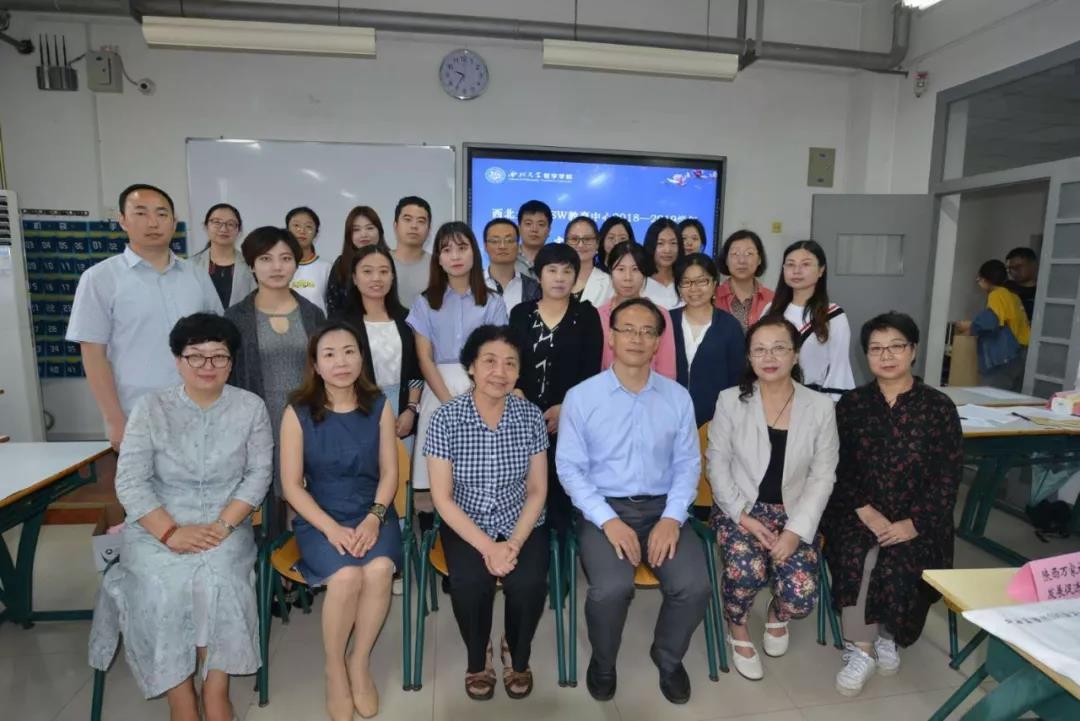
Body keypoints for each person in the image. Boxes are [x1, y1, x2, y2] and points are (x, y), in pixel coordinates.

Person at [88, 313, 272, 721]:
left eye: (219, 356)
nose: (208, 365)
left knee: (221, 582)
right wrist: (170, 532)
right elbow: (131, 481)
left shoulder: (250, 408)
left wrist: (223, 526)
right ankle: (180, 696)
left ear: (231, 362)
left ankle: (216, 689)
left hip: (225, 524)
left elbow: (259, 474)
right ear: (177, 360)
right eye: (196, 356)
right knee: (162, 588)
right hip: (157, 527)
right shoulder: (150, 408)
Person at [557, 297, 710, 705]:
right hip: (604, 510)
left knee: (694, 587)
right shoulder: (582, 397)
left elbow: (688, 465)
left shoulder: (677, 397)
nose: (637, 339)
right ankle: (603, 663)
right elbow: (570, 469)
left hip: (663, 509)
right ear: (611, 337)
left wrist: (672, 518)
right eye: (628, 329)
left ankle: (668, 658)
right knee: (610, 589)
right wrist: (608, 521)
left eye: (647, 331)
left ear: (658, 342)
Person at [823, 312, 963, 697]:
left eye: (896, 346)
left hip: (919, 517)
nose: (886, 356)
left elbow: (948, 475)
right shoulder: (851, 405)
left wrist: (913, 523)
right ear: (865, 355)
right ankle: (861, 649)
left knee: (901, 559)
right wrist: (864, 510)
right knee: (857, 555)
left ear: (913, 351)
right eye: (876, 349)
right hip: (857, 509)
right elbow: (837, 466)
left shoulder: (938, 407)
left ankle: (888, 635)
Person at [706, 314, 839, 682]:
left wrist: (795, 532)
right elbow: (716, 464)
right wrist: (744, 517)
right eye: (759, 350)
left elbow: (823, 475)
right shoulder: (731, 400)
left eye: (779, 348)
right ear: (749, 357)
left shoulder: (820, 406)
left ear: (795, 355)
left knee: (800, 596)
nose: (769, 357)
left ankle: (778, 613)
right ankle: (737, 625)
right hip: (741, 508)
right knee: (746, 571)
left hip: (795, 512)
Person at [280, 321, 401, 720]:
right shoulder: (297, 412)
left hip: (372, 511)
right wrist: (330, 528)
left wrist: (374, 518)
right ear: (315, 365)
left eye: (349, 351)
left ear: (361, 358)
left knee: (379, 570)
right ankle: (334, 668)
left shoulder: (379, 405)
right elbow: (292, 486)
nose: (341, 362)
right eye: (329, 355)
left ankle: (358, 661)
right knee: (347, 576)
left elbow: (390, 473)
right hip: (320, 516)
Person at [424, 325, 550, 701]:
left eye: (510, 363)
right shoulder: (446, 418)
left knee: (529, 583)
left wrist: (513, 543)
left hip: (519, 519)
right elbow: (442, 498)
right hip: (466, 521)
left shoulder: (529, 416)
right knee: (469, 582)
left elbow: (537, 490)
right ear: (471, 367)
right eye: (490, 361)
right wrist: (488, 547)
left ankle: (516, 649)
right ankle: (478, 658)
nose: (500, 372)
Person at [67, 183, 223, 450]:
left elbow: (219, 340)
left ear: (174, 222)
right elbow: (93, 355)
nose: (153, 222)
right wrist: (114, 418)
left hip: (201, 410)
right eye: (141, 213)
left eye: (161, 214)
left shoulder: (196, 275)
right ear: (123, 221)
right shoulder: (100, 278)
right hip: (137, 413)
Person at [225, 226, 326, 536]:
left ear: (296, 263)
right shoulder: (236, 318)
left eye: (285, 258)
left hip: (307, 418)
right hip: (258, 419)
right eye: (266, 259)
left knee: (305, 493)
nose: (277, 267)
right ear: (251, 265)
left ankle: (302, 553)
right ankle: (268, 556)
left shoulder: (313, 314)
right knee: (262, 497)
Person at [407, 221, 508, 493]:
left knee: (479, 473)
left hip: (483, 388)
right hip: (437, 389)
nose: (455, 256)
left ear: (474, 252)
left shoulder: (493, 302)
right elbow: (424, 358)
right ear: (438, 259)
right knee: (433, 477)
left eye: (462, 248)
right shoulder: (424, 302)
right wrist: (449, 403)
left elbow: (497, 354)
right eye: (446, 250)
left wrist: (476, 398)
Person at [509, 243, 603, 532]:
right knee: (523, 487)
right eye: (552, 270)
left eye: (567, 271)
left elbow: (591, 369)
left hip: (568, 418)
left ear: (576, 277)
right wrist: (518, 393)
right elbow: (510, 360)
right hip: (523, 415)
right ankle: (526, 540)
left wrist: (566, 408)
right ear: (539, 275)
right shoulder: (520, 313)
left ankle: (561, 546)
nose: (559, 278)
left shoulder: (587, 315)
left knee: (561, 488)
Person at [333, 245, 423, 451]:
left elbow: (415, 370)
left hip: (401, 412)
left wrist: (411, 410)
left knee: (400, 468)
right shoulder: (340, 323)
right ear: (354, 278)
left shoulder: (408, 319)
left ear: (392, 277)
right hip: (355, 412)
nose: (376, 278)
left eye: (384, 271)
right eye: (367, 271)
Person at [767, 240, 854, 401]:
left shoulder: (833, 315)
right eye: (790, 264)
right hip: (771, 397)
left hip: (814, 400)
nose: (797, 271)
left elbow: (839, 367)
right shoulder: (770, 310)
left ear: (821, 270)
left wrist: (832, 406)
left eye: (806, 264)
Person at [670, 254, 744, 426]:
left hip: (715, 421)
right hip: (669, 418)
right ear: (679, 287)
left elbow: (737, 379)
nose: (694, 288)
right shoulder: (667, 321)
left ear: (714, 284)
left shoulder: (729, 326)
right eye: (686, 282)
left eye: (702, 281)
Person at [597, 241, 676, 379]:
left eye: (635, 269)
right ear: (610, 272)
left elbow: (667, 371)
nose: (628, 278)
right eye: (620, 269)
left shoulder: (660, 315)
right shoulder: (598, 315)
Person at [954, 259, 1031, 392]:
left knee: (991, 394)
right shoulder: (1013, 296)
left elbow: (990, 322)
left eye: (978, 279)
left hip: (1004, 354)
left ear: (985, 279)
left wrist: (969, 327)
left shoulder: (996, 295)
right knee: (1012, 396)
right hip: (1021, 353)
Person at [325, 206, 390, 318]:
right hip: (347, 326)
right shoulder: (341, 264)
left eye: (369, 228)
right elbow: (333, 306)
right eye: (356, 230)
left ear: (379, 231)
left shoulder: (391, 260)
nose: (364, 234)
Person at [190, 203, 256, 309]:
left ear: (239, 230)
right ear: (206, 226)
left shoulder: (251, 265)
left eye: (231, 224)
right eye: (216, 222)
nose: (223, 229)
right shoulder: (190, 265)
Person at [715, 230, 773, 331]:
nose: (742, 260)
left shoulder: (772, 299)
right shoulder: (712, 297)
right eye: (735, 253)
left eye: (749, 253)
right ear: (726, 260)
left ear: (759, 259)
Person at [483, 218, 540, 312]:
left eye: (509, 241)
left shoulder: (534, 288)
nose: (502, 246)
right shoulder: (471, 284)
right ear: (485, 246)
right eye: (495, 241)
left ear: (518, 246)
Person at [287, 206, 333, 313]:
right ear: (287, 230)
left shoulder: (327, 268)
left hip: (318, 323)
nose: (302, 231)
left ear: (316, 233)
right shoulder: (279, 267)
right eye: (296, 225)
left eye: (308, 226)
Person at [390, 196, 433, 309]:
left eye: (421, 221)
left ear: (429, 230)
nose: (414, 226)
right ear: (395, 226)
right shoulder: (380, 262)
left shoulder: (438, 265)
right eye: (407, 219)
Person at [565, 215, 614, 307]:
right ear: (565, 243)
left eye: (587, 239)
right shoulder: (553, 278)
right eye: (574, 239)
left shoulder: (609, 283)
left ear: (597, 244)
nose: (580, 245)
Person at [642, 218, 684, 310]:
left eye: (673, 243)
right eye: (660, 243)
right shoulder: (640, 281)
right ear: (651, 245)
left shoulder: (686, 280)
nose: (667, 250)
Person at [516, 199, 552, 279]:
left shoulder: (556, 259)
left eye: (541, 224)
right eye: (528, 224)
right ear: (519, 228)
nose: (534, 229)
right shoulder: (508, 257)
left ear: (549, 230)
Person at [1005, 246, 1039, 323]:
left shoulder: (1044, 291)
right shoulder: (1005, 289)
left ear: (1033, 265)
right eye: (1009, 268)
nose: (1013, 271)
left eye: (1018, 267)